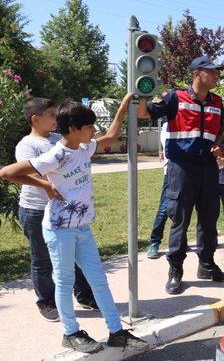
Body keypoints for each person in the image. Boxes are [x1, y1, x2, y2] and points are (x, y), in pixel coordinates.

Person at [0, 97, 148, 354]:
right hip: (59, 230)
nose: (93, 132)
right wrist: (44, 184)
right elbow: (6, 172)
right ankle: (70, 333)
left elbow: (111, 137)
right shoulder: (55, 155)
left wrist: (124, 107)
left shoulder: (84, 148)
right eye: (89, 127)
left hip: (82, 227)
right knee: (65, 281)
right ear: (73, 129)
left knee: (98, 281)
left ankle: (116, 332)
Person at [137, 56, 224, 294]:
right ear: (198, 73)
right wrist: (141, 91)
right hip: (182, 168)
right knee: (180, 219)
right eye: (213, 71)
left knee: (209, 219)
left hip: (208, 167)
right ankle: (175, 269)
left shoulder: (217, 101)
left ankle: (206, 264)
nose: (217, 75)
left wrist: (218, 145)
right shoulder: (175, 97)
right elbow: (145, 114)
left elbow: (222, 129)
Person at [14, 97, 97, 321]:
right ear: (35, 119)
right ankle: (47, 302)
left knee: (74, 257)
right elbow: (24, 173)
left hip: (64, 211)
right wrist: (47, 186)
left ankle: (84, 295)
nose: (55, 118)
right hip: (36, 209)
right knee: (42, 259)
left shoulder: (58, 138)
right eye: (51, 115)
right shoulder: (27, 145)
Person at [147, 120, 169, 259]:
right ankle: (154, 242)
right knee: (164, 209)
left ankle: (181, 241)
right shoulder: (167, 126)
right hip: (172, 172)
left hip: (189, 172)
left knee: (185, 210)